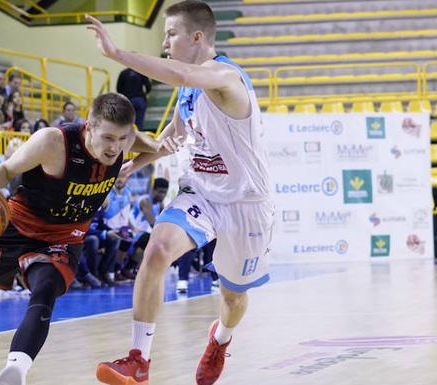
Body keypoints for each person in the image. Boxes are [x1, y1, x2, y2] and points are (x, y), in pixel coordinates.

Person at [0, 93, 160, 385]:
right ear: (89, 126)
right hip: (18, 225)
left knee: (45, 291)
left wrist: (135, 164)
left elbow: (158, 146)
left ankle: (16, 370)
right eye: (108, 138)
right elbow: (6, 169)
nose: (115, 147)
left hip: (65, 236)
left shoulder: (127, 139)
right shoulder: (53, 142)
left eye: (122, 139)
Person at [87, 2, 274, 384]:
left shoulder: (225, 77)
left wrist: (118, 53)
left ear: (197, 37)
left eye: (170, 34)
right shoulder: (189, 94)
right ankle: (139, 359)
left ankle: (220, 339)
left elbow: (176, 73)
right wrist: (134, 164)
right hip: (201, 193)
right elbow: (173, 137)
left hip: (247, 203)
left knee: (233, 297)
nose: (165, 42)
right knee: (156, 251)